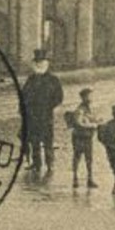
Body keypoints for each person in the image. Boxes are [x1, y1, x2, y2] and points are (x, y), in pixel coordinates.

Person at [19, 50, 64, 179]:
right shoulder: (31, 79)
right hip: (32, 115)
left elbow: (59, 97)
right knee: (34, 140)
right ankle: (36, 163)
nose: (39, 64)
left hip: (45, 115)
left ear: (47, 63)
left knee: (47, 140)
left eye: (42, 62)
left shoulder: (53, 80)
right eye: (37, 62)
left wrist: (48, 106)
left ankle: (50, 164)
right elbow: (23, 95)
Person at [62, 87, 100, 189]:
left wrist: (97, 122)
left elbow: (92, 120)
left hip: (87, 137)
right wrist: (93, 126)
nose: (91, 98)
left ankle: (89, 179)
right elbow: (78, 123)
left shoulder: (89, 109)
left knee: (89, 159)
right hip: (79, 137)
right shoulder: (80, 110)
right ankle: (75, 179)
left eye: (91, 96)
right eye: (89, 96)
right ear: (83, 97)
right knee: (77, 157)